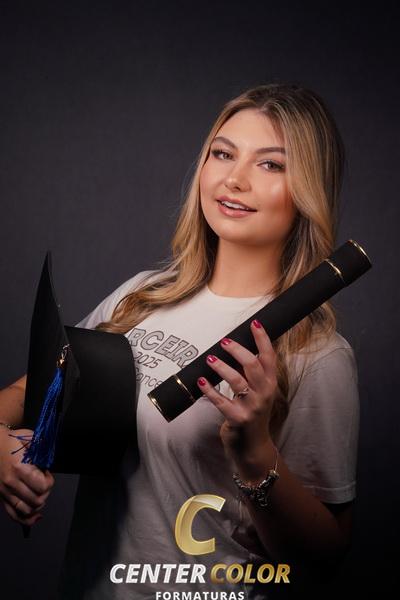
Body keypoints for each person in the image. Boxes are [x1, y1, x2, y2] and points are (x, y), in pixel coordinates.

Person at [0, 83, 360, 599]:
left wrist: (256, 453)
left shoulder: (314, 353)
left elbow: (324, 559)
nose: (234, 179)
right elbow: (29, 394)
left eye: (270, 164)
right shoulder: (141, 296)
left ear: (307, 190)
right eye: (223, 153)